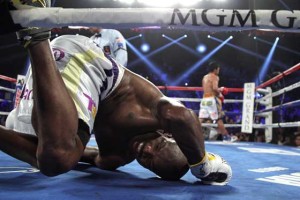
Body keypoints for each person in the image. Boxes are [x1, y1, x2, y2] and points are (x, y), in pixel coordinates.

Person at [0, 0, 232, 185]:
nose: (147, 150)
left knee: (54, 156)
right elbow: (183, 117)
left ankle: (37, 36)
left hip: (59, 78)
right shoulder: (155, 112)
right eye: (158, 146)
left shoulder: (115, 157)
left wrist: (50, 147)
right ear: (167, 134)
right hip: (88, 65)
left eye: (149, 163)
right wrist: (201, 165)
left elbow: (88, 156)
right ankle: (36, 33)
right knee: (59, 156)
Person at [198, 61, 234, 142]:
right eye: (218, 69)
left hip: (204, 99)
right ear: (215, 69)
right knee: (218, 119)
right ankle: (226, 137)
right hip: (212, 100)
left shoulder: (205, 77)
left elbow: (206, 88)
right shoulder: (215, 77)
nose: (218, 71)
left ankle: (193, 135)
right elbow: (214, 88)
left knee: (201, 119)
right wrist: (220, 91)